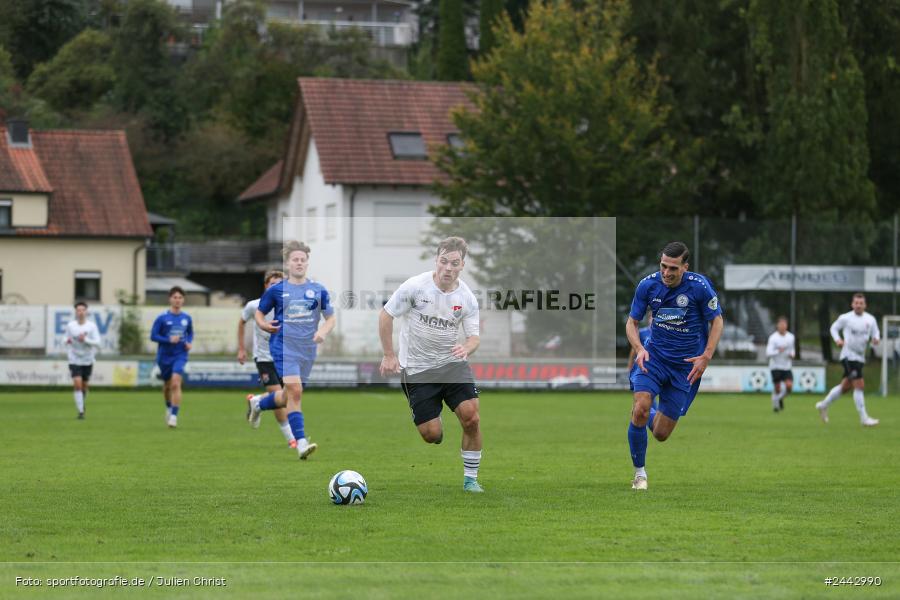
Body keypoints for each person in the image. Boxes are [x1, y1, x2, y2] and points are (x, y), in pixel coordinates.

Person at [379, 236, 484, 493]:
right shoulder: (415, 287)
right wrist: (389, 354)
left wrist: (467, 347)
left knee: (471, 418)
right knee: (431, 436)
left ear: (462, 265)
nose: (448, 268)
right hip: (417, 370)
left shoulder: (467, 297)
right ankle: (433, 417)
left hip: (452, 365)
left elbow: (474, 337)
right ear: (437, 260)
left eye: (455, 263)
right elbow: (386, 315)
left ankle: (471, 479)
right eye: (444, 261)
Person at [626, 241, 724, 491]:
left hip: (685, 368)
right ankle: (640, 474)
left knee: (660, 433)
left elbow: (717, 321)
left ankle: (647, 411)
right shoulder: (648, 285)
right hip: (654, 359)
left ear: (685, 267)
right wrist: (640, 349)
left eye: (673, 268)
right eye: (663, 266)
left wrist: (706, 356)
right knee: (640, 407)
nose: (666, 273)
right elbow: (631, 323)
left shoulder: (699, 287)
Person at [250, 241, 335, 460]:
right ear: (288, 263)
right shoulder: (277, 290)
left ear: (307, 262)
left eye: (302, 259)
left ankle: (258, 403)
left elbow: (330, 317)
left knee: (288, 395)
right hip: (283, 347)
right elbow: (260, 313)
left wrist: (323, 331)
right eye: (295, 259)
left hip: (307, 350)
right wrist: (263, 324)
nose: (299, 263)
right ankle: (301, 443)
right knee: (296, 392)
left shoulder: (318, 290)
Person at [238, 270, 295, 447]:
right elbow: (241, 322)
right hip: (263, 358)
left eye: (280, 284)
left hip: (283, 357)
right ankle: (291, 439)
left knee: (286, 395)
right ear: (266, 286)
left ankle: (256, 400)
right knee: (277, 395)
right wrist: (241, 348)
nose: (276, 287)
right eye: (273, 284)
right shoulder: (255, 306)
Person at [815, 293, 880, 426]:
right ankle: (864, 418)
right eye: (856, 303)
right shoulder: (846, 318)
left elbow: (876, 333)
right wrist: (838, 339)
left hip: (860, 357)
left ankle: (823, 405)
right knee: (859, 385)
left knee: (845, 387)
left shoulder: (870, 319)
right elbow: (834, 328)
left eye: (861, 303)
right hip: (848, 356)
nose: (858, 305)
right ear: (852, 304)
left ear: (865, 305)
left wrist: (876, 339)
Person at [150, 287, 193, 428]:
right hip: (164, 356)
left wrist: (188, 342)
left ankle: (174, 416)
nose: (177, 300)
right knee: (167, 386)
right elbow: (153, 336)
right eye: (175, 297)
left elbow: (190, 333)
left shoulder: (187, 318)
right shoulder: (162, 318)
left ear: (183, 300)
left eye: (180, 297)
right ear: (170, 299)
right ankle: (168, 406)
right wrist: (168, 339)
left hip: (180, 354)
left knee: (176, 383)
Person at [65, 302, 101, 419]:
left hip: (87, 359)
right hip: (74, 358)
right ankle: (81, 412)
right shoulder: (71, 326)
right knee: (77, 384)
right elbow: (65, 338)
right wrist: (67, 341)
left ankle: (82, 403)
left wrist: (85, 339)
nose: (80, 312)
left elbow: (97, 342)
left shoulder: (92, 326)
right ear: (75, 312)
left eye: (83, 310)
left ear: (86, 312)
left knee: (84, 386)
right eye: (78, 310)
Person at [766, 316, 795, 412]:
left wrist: (792, 354)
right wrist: (778, 351)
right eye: (781, 324)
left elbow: (792, 350)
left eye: (784, 324)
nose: (783, 326)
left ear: (787, 326)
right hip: (775, 366)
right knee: (777, 388)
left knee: (789, 386)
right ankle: (776, 404)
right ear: (777, 326)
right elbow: (768, 353)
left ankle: (778, 399)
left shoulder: (791, 337)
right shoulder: (773, 338)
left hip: (786, 366)